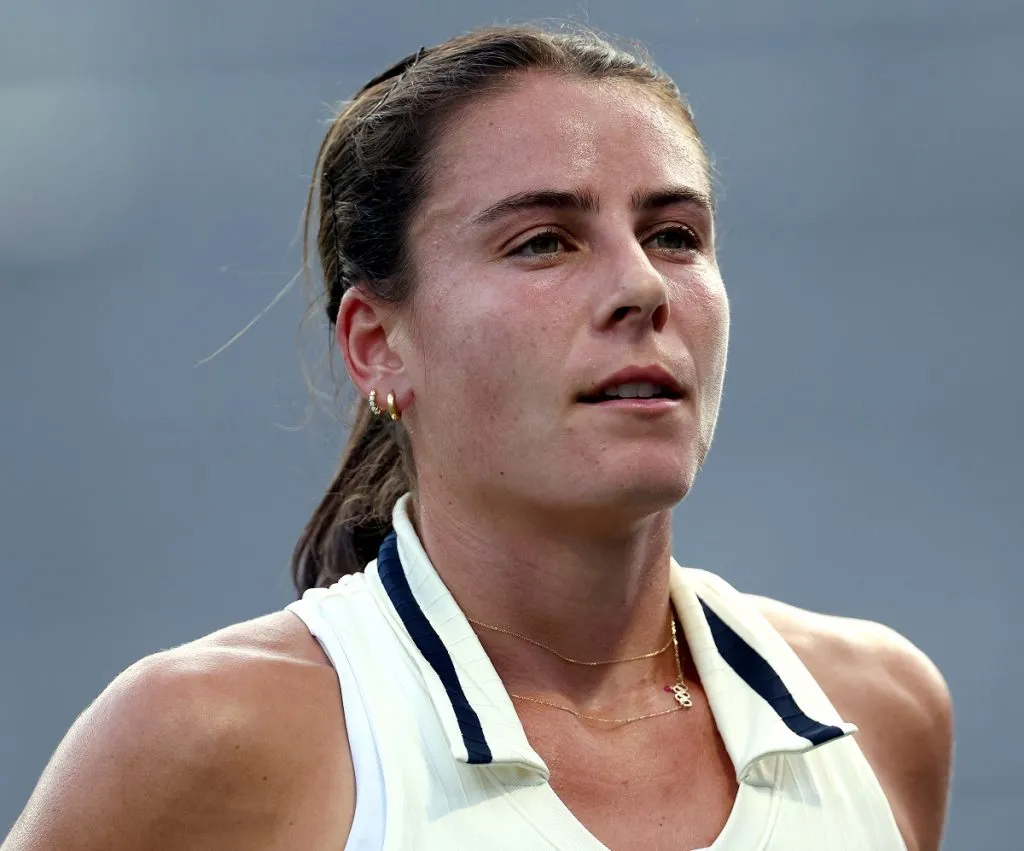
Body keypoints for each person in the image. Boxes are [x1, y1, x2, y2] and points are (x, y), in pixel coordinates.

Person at [2, 24, 953, 851]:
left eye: (674, 234)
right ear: (378, 345)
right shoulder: (211, 734)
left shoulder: (879, 711)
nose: (644, 288)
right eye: (543, 240)